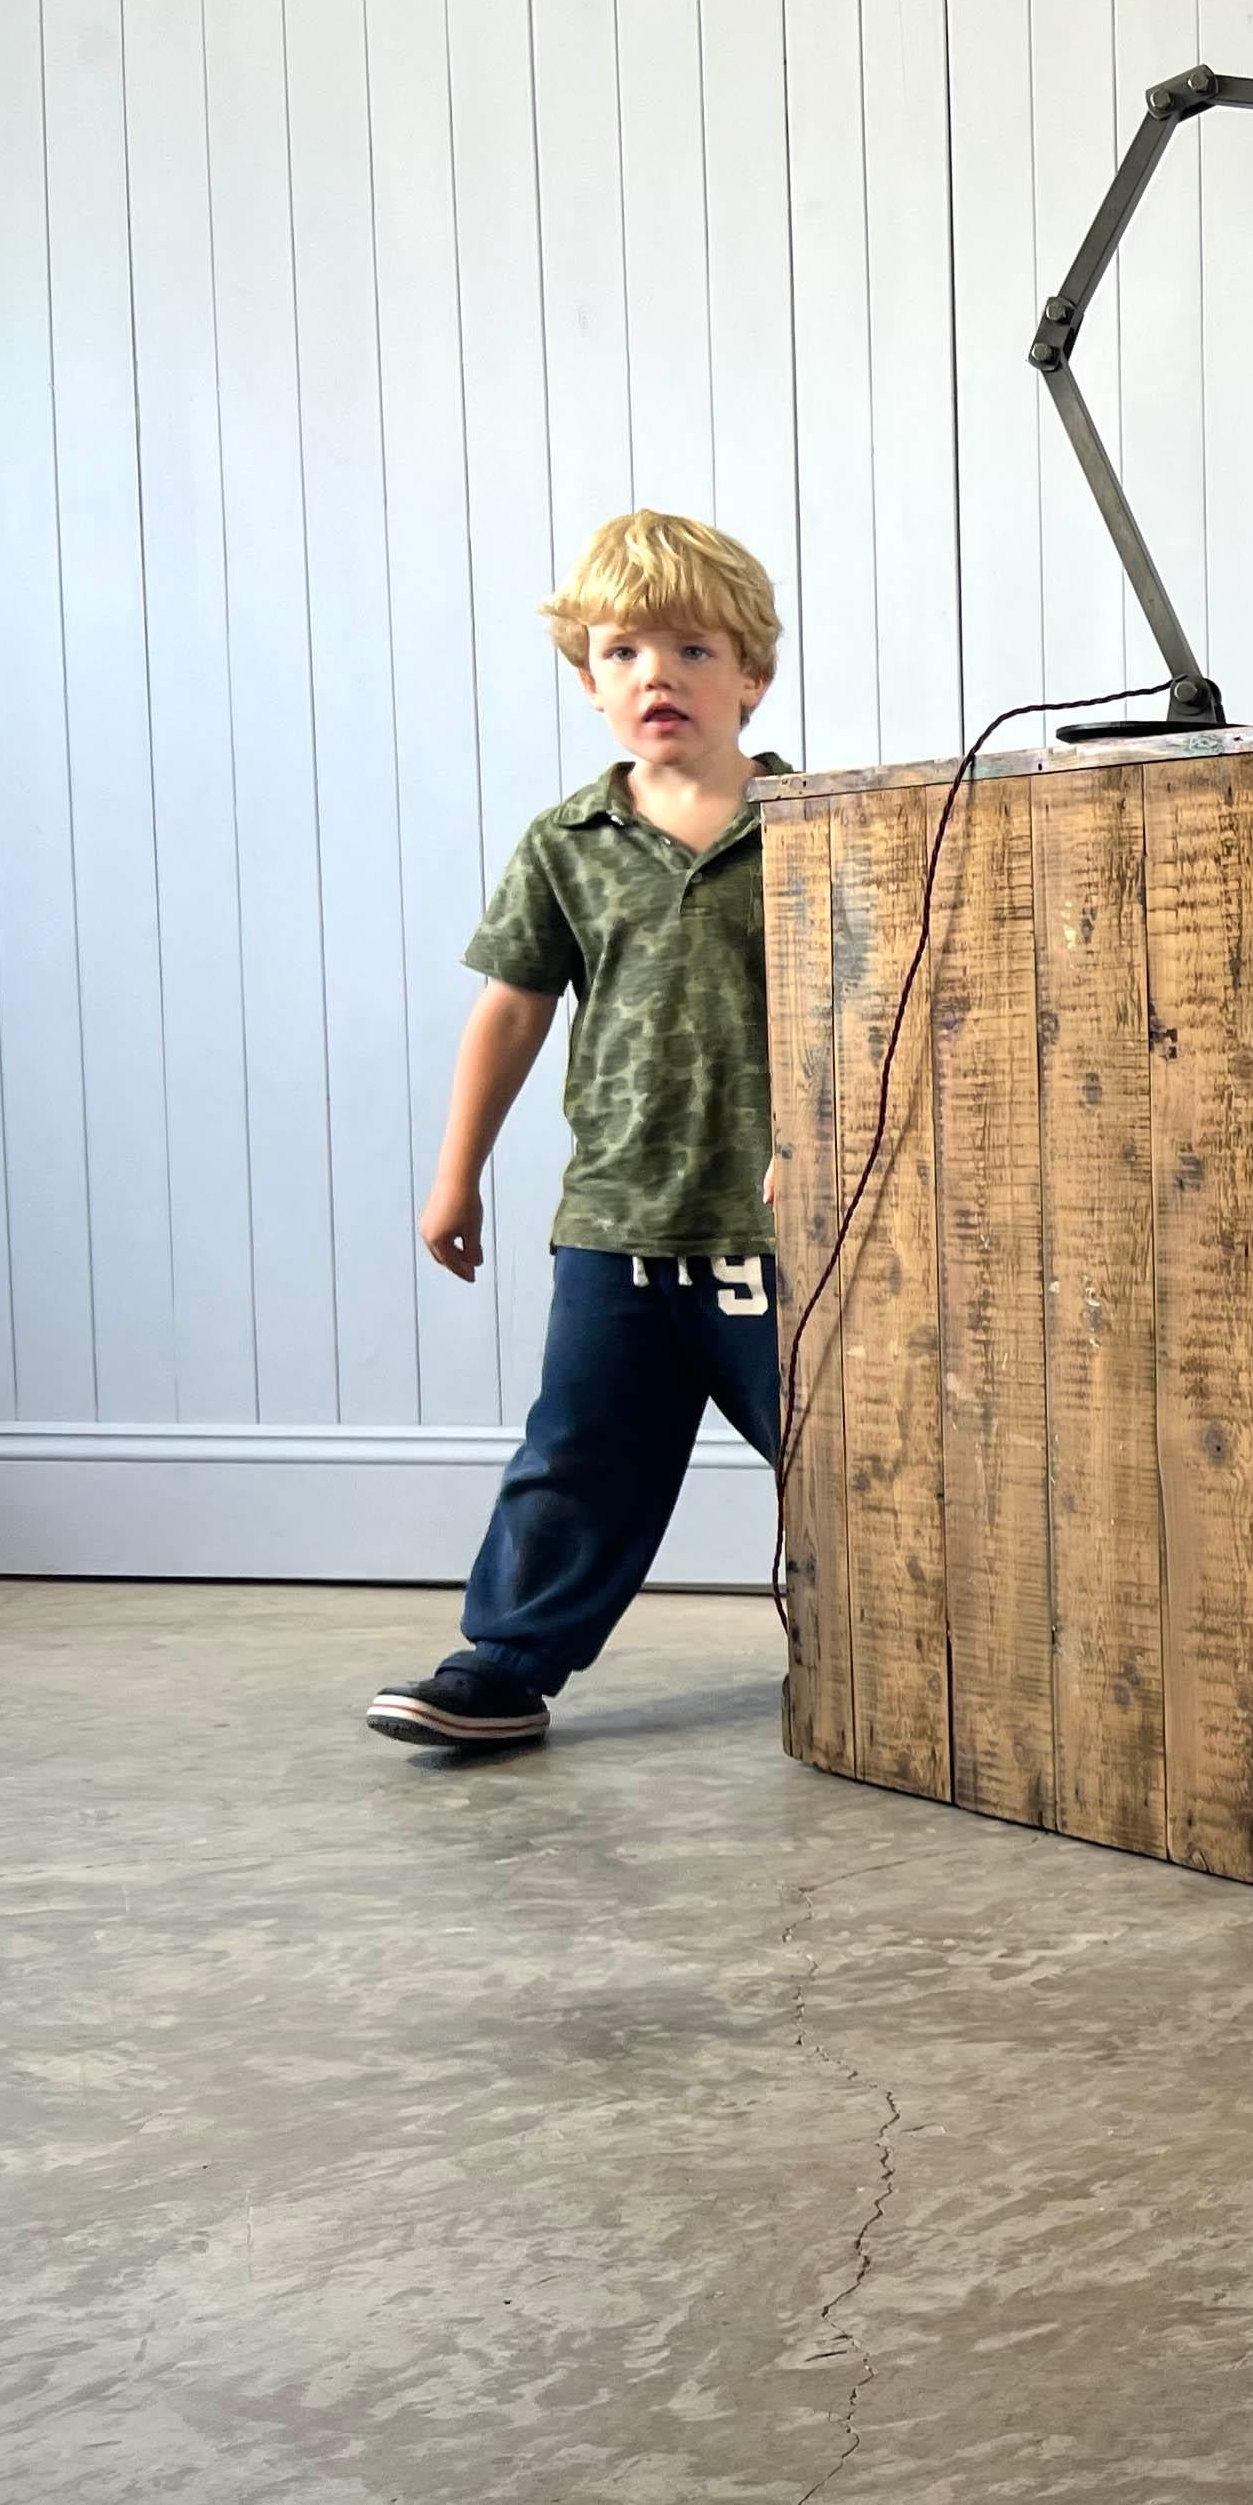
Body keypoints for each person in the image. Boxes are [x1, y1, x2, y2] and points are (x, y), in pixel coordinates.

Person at [365, 511, 800, 1749]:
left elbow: (886, 1013)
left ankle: (899, 1658)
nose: (655, 676)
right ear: (588, 681)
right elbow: (510, 1014)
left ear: (751, 676)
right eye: (621, 653)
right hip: (618, 1225)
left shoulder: (826, 828)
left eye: (692, 650)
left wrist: (816, 1145)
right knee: (578, 1457)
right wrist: (458, 1178)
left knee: (846, 1459)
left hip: (785, 1233)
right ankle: (505, 1664)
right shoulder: (566, 845)